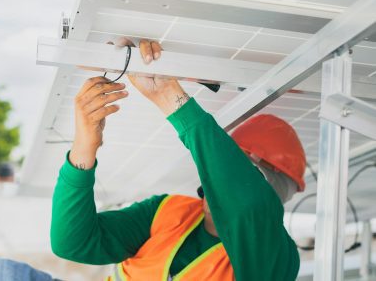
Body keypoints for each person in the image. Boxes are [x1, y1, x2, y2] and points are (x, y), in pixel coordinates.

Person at [50, 39, 306, 281]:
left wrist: (173, 102)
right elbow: (73, 243)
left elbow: (247, 205)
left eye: (246, 171)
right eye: (223, 161)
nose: (220, 177)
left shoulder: (278, 259)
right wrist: (84, 147)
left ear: (271, 196)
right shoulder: (168, 212)